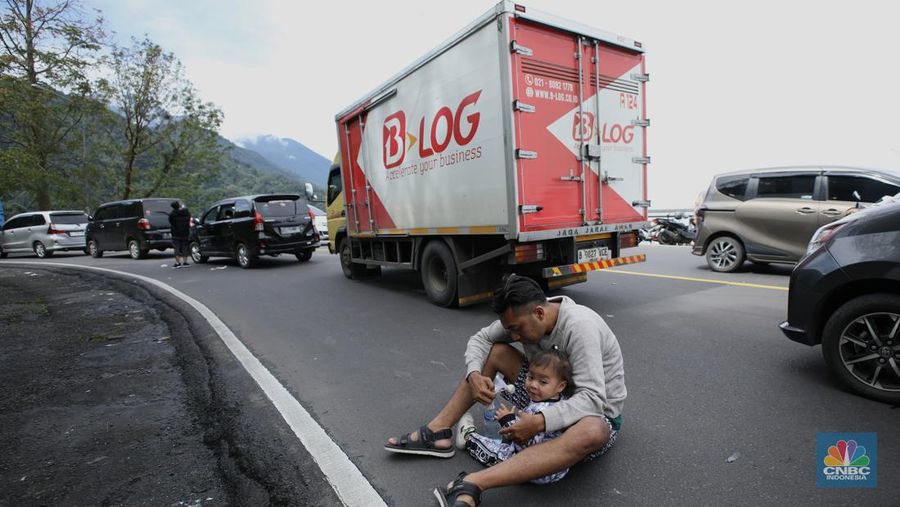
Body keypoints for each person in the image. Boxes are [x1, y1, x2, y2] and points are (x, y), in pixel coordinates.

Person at [384, 274, 626, 507]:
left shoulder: (580, 327)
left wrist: (539, 422)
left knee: (593, 431)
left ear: (539, 313)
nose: (514, 335)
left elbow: (593, 399)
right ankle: (439, 432)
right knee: (497, 351)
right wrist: (474, 375)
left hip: (591, 413)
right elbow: (481, 339)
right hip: (544, 397)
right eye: (510, 329)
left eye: (516, 329)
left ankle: (473, 483)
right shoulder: (524, 317)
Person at [458, 348, 575, 485]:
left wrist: (507, 420)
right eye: (531, 377)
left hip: (535, 468)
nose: (533, 385)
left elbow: (527, 442)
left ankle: (468, 438)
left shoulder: (541, 411)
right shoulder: (564, 403)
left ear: (560, 386)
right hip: (558, 469)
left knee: (496, 455)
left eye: (543, 382)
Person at [168, 201, 192, 269]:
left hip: (176, 233)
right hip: (185, 232)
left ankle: (177, 263)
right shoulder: (186, 212)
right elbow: (189, 217)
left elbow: (171, 221)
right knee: (185, 247)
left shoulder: (172, 214)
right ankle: (185, 262)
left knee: (177, 248)